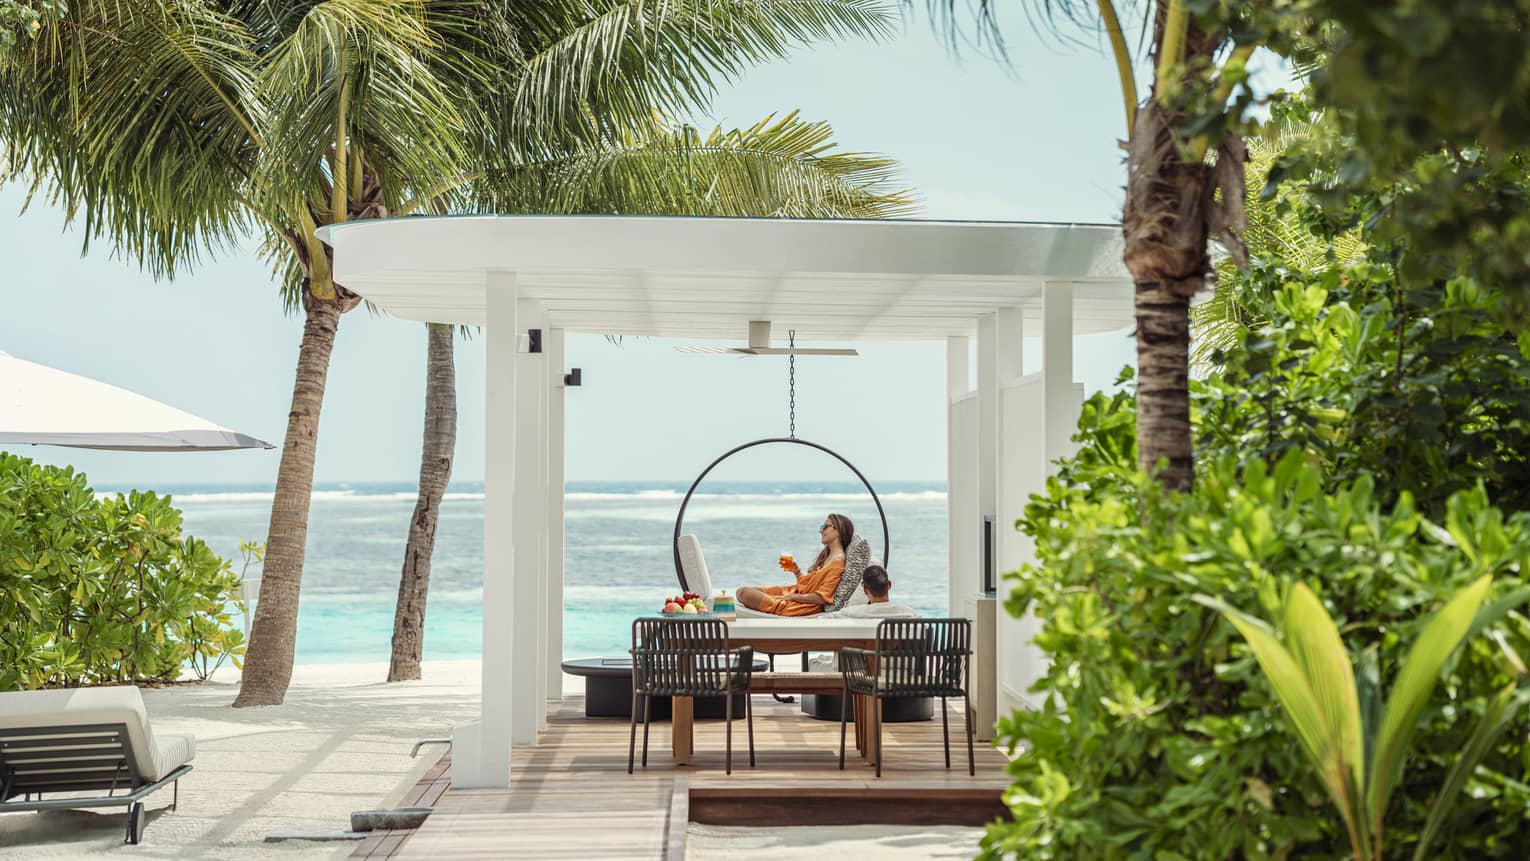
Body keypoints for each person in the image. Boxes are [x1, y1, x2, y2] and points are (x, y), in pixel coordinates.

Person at [737, 513, 853, 617]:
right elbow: (807, 587)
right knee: (743, 591)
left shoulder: (837, 562)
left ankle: (775, 603)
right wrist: (796, 571)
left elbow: (821, 598)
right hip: (794, 593)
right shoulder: (828, 556)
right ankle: (774, 600)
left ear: (838, 530)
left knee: (744, 593)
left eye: (825, 527)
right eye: (821, 527)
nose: (821, 531)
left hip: (799, 606)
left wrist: (790, 598)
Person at [836, 564, 918, 619]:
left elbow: (827, 618)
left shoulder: (852, 613)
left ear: (865, 590)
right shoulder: (909, 613)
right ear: (889, 584)